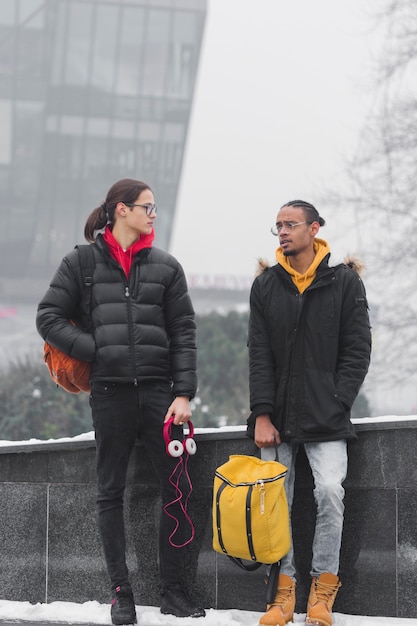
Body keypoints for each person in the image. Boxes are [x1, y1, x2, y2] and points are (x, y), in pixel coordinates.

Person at [36, 178, 205, 625]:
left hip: (159, 395)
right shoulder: (81, 262)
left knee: (177, 489)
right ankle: (120, 593)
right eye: (147, 207)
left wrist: (184, 392)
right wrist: (95, 349)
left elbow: (184, 331)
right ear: (121, 210)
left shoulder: (167, 267)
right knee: (110, 492)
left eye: (154, 207)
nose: (153, 214)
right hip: (109, 393)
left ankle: (174, 591)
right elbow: (48, 316)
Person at [247, 200, 371, 626]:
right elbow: (259, 354)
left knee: (330, 494)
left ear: (314, 229)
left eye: (291, 224)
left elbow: (358, 349)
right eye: (277, 225)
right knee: (274, 504)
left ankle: (323, 591)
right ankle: (283, 593)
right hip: (277, 416)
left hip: (327, 415)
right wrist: (262, 413)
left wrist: (337, 400)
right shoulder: (265, 286)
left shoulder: (345, 283)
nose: (282, 231)